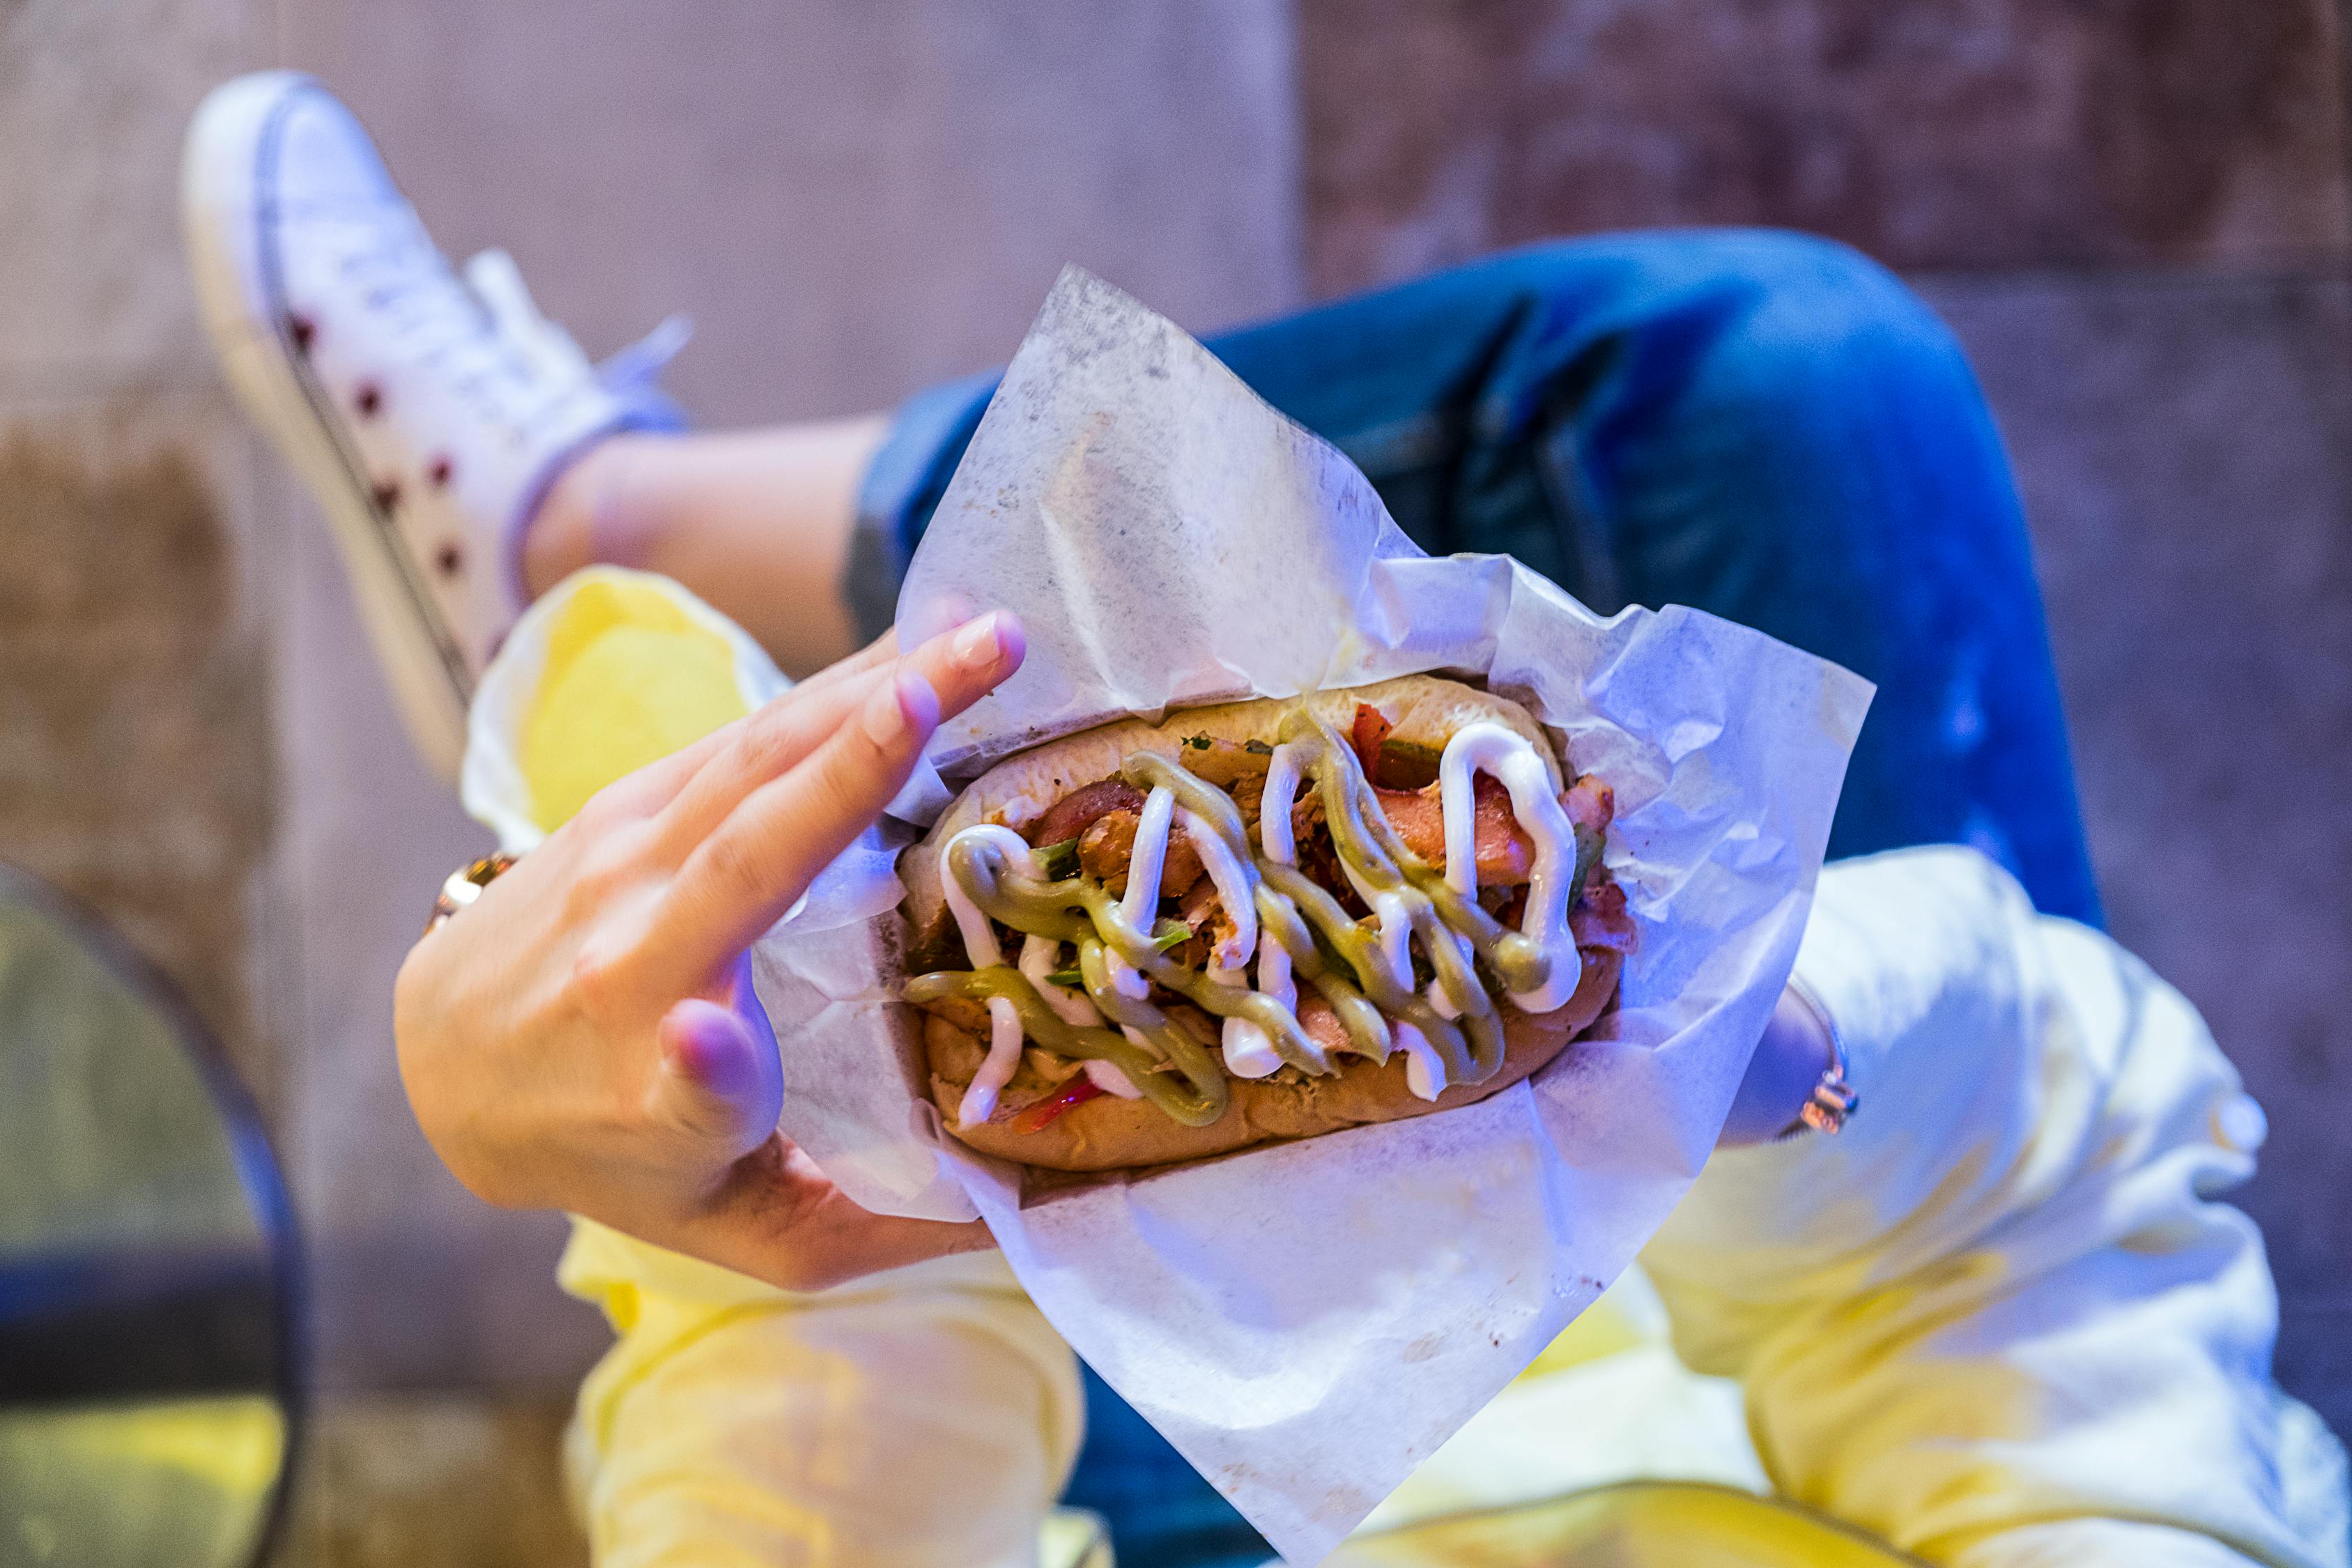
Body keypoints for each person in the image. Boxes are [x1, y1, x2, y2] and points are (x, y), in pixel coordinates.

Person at [182, 72, 2348, 1568]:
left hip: (1173, 1479)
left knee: (1729, 394)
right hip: (1791, 1331)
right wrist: (1747, 1069)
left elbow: (815, 1477)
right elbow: (2069, 1254)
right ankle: (609, 509)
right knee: (1782, 374)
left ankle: (568, 555)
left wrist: (676, 1101)